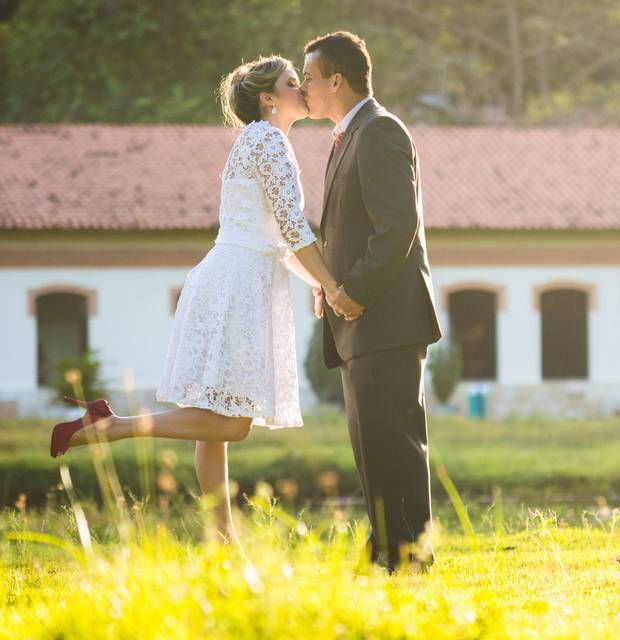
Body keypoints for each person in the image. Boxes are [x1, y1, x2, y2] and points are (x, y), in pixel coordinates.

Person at [49, 55, 347, 548]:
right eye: (294, 83)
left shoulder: (251, 141)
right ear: (269, 99)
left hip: (224, 276)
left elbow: (270, 237)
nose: (303, 88)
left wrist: (310, 280)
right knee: (232, 423)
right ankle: (115, 424)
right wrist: (331, 284)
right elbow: (293, 228)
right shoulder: (270, 140)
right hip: (238, 287)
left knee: (213, 424)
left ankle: (221, 543)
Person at [299, 31, 443, 573]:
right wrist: (328, 286)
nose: (304, 88)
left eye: (308, 79)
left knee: (396, 445)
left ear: (337, 79)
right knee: (372, 446)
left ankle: (410, 558)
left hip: (386, 318)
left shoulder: (380, 131)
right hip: (357, 321)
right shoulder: (347, 135)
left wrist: (353, 293)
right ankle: (387, 550)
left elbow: (395, 228)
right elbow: (350, 233)